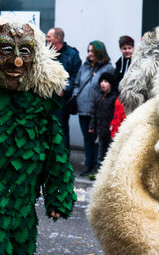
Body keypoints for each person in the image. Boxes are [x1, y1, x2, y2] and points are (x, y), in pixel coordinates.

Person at [0, 17, 76, 254]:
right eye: (5, 49)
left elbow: (55, 151)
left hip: (22, 208)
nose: (17, 60)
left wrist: (58, 194)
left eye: (25, 51)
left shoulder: (39, 106)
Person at [73, 41, 114, 176]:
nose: (90, 54)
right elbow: (77, 83)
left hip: (97, 109)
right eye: (89, 51)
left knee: (97, 138)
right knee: (86, 137)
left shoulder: (107, 68)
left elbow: (109, 87)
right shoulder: (84, 66)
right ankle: (88, 163)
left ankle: (97, 165)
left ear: (99, 52)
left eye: (93, 51)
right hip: (83, 108)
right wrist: (76, 95)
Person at [46, 27, 82, 152]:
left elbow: (76, 76)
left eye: (49, 37)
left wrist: (64, 89)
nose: (46, 39)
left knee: (61, 129)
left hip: (62, 99)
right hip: (47, 97)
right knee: (47, 128)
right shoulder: (47, 53)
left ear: (57, 39)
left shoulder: (72, 55)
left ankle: (63, 158)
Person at [88, 72, 117, 174]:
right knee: (101, 151)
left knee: (110, 152)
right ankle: (99, 172)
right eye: (101, 81)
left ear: (111, 84)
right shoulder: (98, 96)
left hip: (110, 130)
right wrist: (92, 125)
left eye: (105, 81)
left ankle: (108, 173)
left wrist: (113, 126)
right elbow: (94, 112)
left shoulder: (114, 97)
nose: (102, 84)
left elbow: (115, 114)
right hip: (100, 129)